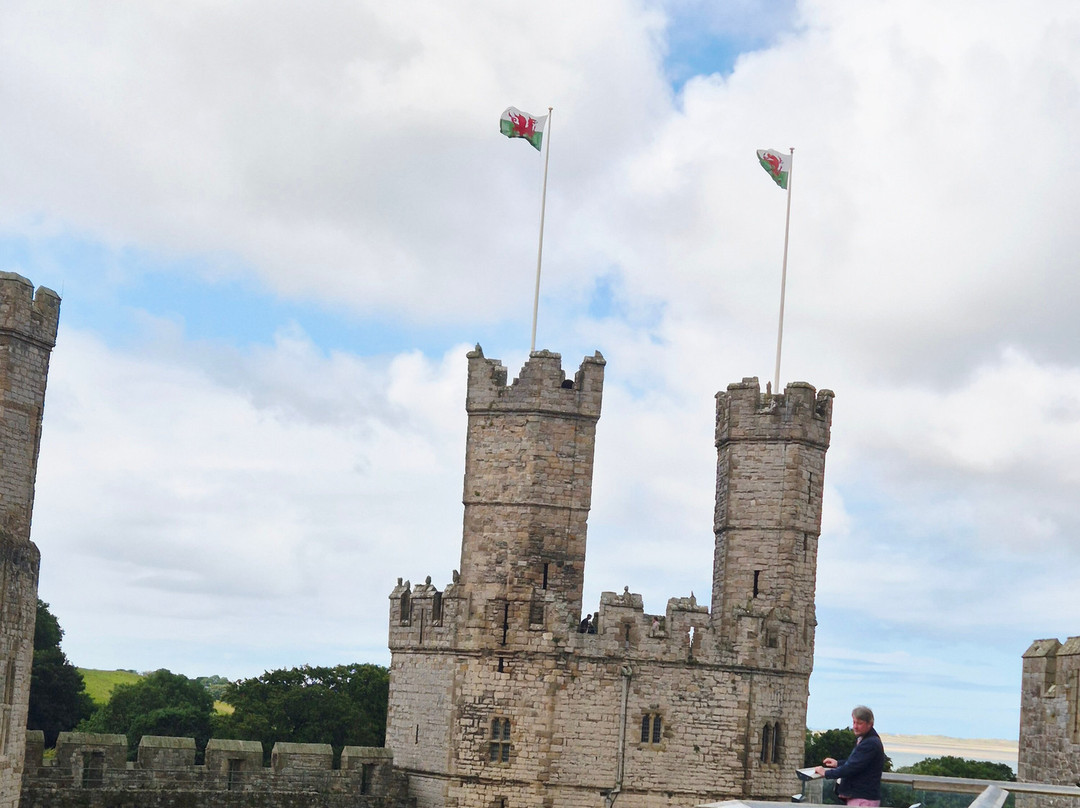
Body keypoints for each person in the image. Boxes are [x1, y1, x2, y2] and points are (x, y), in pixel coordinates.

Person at [814, 705, 885, 807]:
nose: (855, 726)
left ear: (870, 724)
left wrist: (826, 773)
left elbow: (851, 768)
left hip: (862, 799)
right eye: (854, 722)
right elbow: (858, 763)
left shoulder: (870, 743)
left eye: (860, 723)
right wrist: (838, 763)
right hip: (863, 798)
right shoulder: (867, 740)